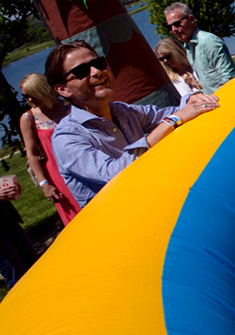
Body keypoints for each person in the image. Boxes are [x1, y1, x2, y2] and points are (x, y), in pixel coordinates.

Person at [46, 41, 220, 208]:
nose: (96, 72)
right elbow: (114, 173)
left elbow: (169, 113)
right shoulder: (67, 137)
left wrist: (191, 99)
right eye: (82, 71)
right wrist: (172, 122)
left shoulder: (122, 111)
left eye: (99, 63)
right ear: (63, 89)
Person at [18, 73, 80, 226]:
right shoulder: (29, 118)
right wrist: (44, 184)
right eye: (26, 97)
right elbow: (31, 154)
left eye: (32, 95)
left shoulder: (69, 106)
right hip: (58, 175)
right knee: (77, 217)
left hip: (82, 162)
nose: (30, 100)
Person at [164, 2, 235, 94]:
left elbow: (230, 77)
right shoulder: (189, 47)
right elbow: (209, 84)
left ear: (191, 19)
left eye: (177, 24)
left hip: (230, 97)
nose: (173, 30)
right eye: (169, 27)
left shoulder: (207, 41)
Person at [155, 37, 203, 103]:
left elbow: (213, 84)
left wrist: (194, 83)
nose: (165, 61)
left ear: (176, 51)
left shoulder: (196, 64)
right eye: (162, 59)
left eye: (167, 56)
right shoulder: (172, 80)